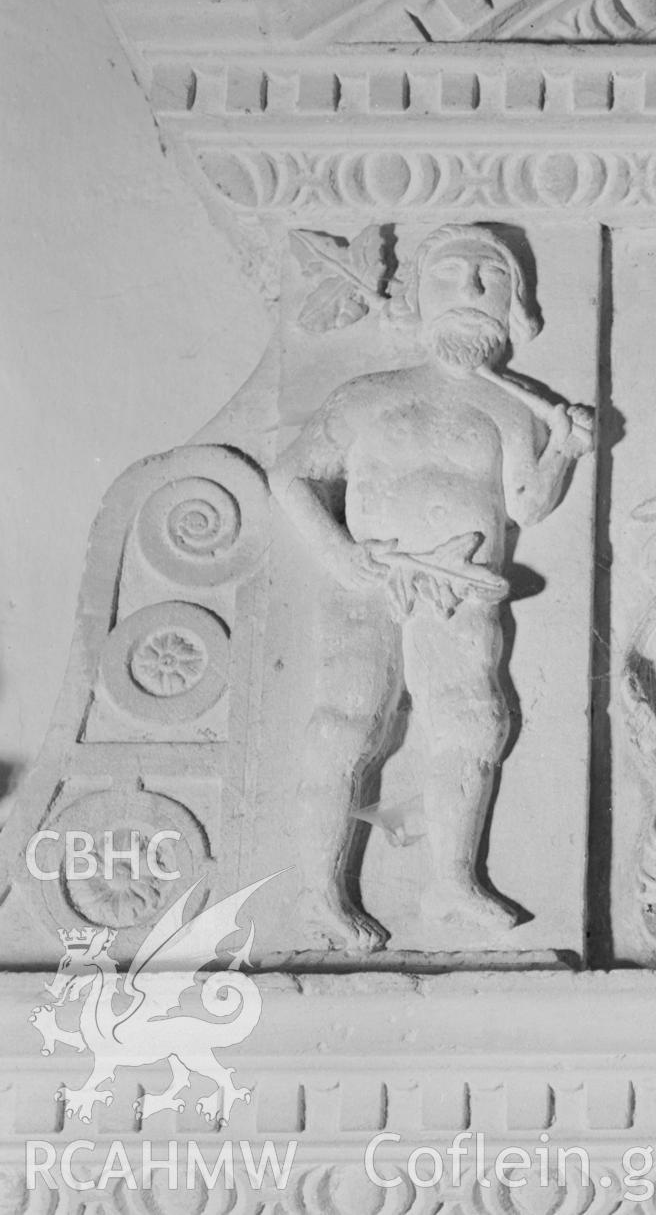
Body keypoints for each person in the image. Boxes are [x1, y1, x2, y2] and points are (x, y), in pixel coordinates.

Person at [272, 224, 594, 950]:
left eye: (493, 277)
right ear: (417, 297)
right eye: (453, 273)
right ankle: (322, 890)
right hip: (370, 578)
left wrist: (566, 449)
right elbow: (291, 475)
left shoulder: (512, 408)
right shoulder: (370, 394)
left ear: (518, 305)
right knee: (347, 724)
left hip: (462, 584)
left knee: (474, 721)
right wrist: (337, 551)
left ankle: (451, 882)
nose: (474, 288)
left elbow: (527, 504)